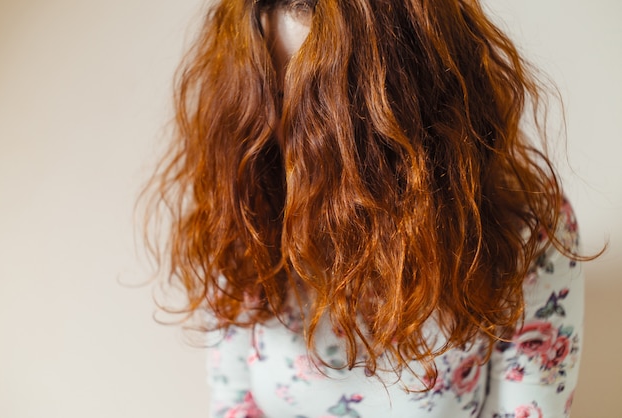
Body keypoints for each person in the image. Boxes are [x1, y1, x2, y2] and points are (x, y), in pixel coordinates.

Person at [145, 0, 591, 416]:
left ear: (410, 103)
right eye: (279, 96)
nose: (298, 138)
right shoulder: (247, 208)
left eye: (325, 105)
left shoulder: (523, 229)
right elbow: (233, 399)